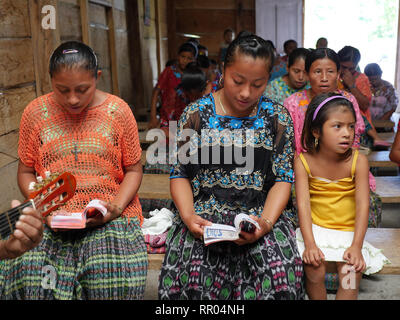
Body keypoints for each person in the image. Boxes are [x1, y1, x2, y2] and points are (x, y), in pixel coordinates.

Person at [158, 34, 304, 300]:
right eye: (238, 81)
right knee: (193, 274)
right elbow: (180, 173)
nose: (246, 92)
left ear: (268, 80)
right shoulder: (196, 114)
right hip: (202, 214)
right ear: (223, 70)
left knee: (279, 273)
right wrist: (189, 217)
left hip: (260, 213)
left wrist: (266, 224)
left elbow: (283, 178)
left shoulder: (277, 117)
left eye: (257, 84)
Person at [0, 41, 147, 299]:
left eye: (82, 89)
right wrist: (44, 206)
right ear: (51, 81)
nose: (73, 99)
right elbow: (25, 172)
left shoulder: (118, 111)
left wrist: (115, 208)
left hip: (107, 218)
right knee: (29, 272)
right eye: (62, 90)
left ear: (97, 78)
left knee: (109, 276)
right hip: (51, 215)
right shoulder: (35, 113)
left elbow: (133, 169)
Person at [295, 93, 389, 300]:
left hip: (349, 232)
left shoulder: (359, 161)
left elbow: (363, 205)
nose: (347, 133)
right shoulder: (303, 161)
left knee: (350, 273)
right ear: (316, 131)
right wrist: (310, 245)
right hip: (315, 229)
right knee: (314, 268)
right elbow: (303, 204)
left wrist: (356, 246)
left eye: (351, 126)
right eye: (337, 126)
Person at [148, 42, 197, 132]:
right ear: (178, 56)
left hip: (187, 120)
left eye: (189, 58)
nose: (185, 60)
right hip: (168, 117)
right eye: (183, 57)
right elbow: (156, 92)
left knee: (184, 144)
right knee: (166, 143)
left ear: (194, 60)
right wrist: (153, 116)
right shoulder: (169, 71)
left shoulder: (194, 75)